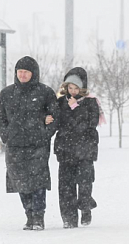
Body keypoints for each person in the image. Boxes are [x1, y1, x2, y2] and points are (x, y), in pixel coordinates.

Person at [0, 56, 59, 231]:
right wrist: (6, 135)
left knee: (38, 182)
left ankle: (38, 217)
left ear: (33, 74)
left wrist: (45, 134)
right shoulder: (6, 94)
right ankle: (29, 215)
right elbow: (1, 118)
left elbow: (55, 116)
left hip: (37, 145)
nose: (22, 75)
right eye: (20, 72)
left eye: (26, 72)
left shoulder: (45, 92)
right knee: (20, 181)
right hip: (15, 145)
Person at [51, 67, 104, 228]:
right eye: (70, 88)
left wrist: (75, 107)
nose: (73, 91)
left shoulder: (91, 102)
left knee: (85, 184)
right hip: (65, 150)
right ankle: (69, 218)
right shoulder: (60, 102)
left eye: (76, 88)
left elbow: (89, 123)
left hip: (85, 150)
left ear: (82, 88)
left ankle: (85, 208)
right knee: (66, 187)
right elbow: (59, 122)